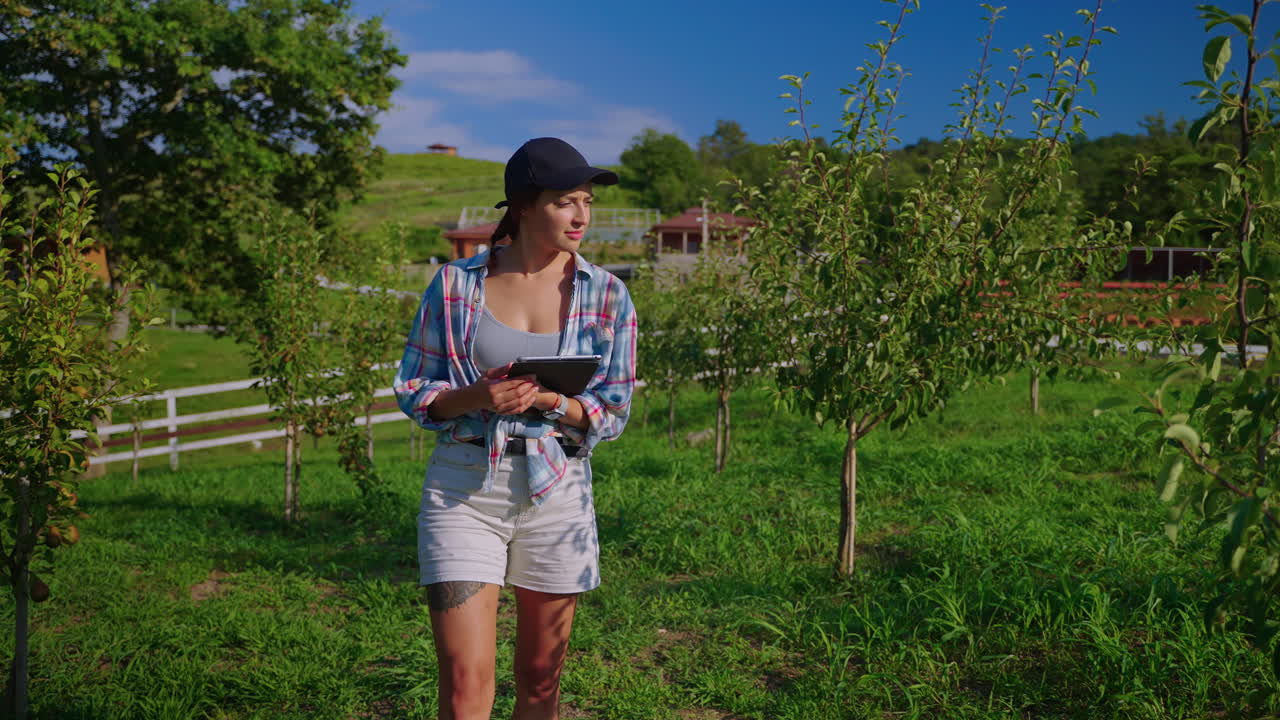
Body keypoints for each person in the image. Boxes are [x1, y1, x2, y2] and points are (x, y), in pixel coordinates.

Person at [394, 137, 638, 720]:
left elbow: (613, 409)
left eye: (585, 201)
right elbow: (414, 390)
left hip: (559, 490)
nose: (581, 215)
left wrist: (553, 401)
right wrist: (479, 395)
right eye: (564, 201)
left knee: (539, 680)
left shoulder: (607, 295)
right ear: (525, 206)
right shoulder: (455, 286)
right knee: (464, 685)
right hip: (462, 488)